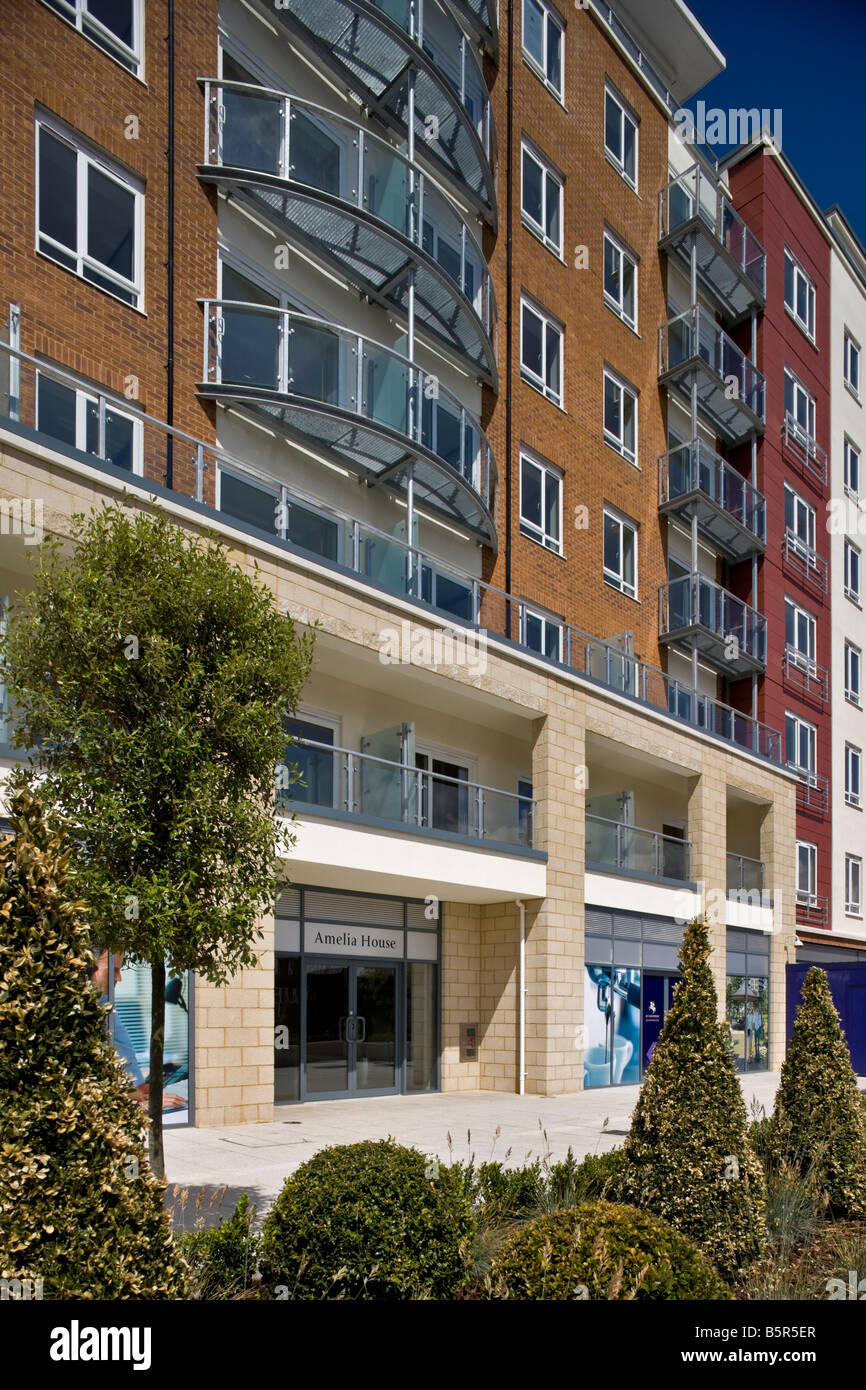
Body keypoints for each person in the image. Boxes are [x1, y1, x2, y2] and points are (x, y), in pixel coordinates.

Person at [89, 948, 186, 1112]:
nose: (119, 978)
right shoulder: (76, 1012)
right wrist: (136, 1104)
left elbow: (122, 1047)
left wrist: (138, 1090)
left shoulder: (103, 1001)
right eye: (113, 970)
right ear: (88, 968)